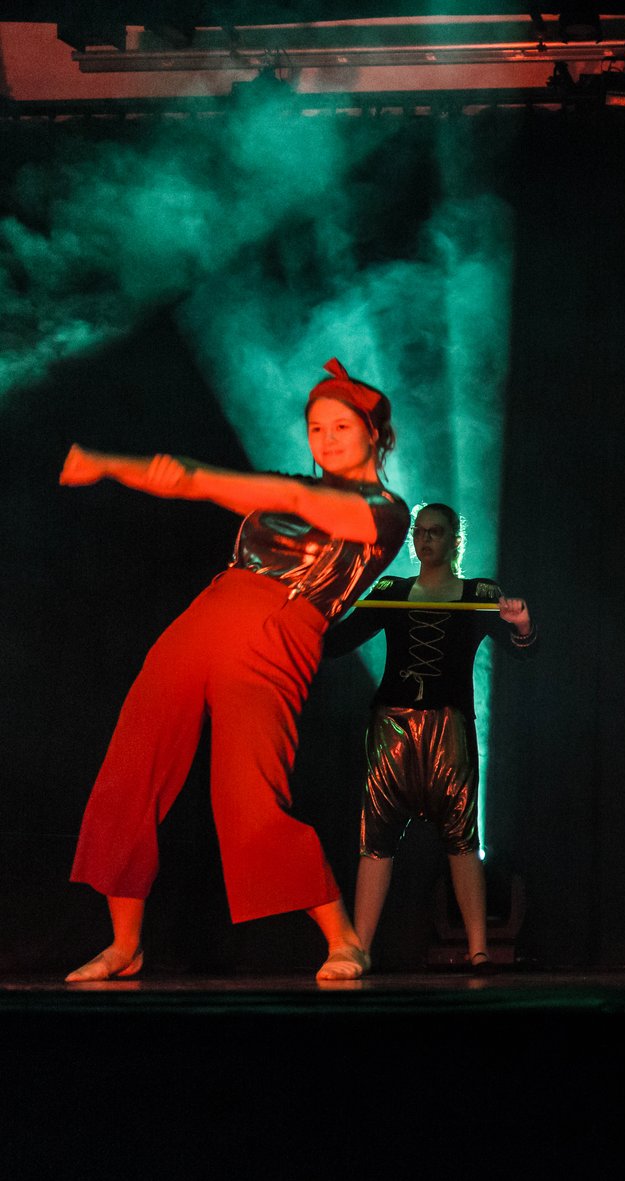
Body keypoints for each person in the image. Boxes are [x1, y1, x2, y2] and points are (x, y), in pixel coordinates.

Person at [62, 359, 409, 982]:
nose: (326, 440)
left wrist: (207, 478)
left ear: (375, 435)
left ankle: (345, 940)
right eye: (316, 429)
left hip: (278, 629)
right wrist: (108, 463)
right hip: (208, 614)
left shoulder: (386, 511)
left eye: (341, 427)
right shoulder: (284, 484)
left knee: (248, 795)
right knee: (131, 766)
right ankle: (124, 944)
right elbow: (194, 480)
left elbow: (296, 499)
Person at [323, 502, 537, 973]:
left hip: (449, 728)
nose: (424, 539)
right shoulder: (392, 591)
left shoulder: (479, 594)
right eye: (419, 532)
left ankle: (478, 950)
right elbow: (336, 643)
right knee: (376, 837)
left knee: (462, 836)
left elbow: (522, 651)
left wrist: (521, 625)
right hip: (391, 728)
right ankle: (359, 949)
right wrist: (309, 612)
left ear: (455, 540)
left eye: (435, 532)